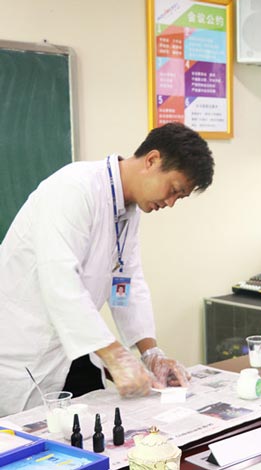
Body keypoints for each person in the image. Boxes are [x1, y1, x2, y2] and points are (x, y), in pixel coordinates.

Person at [0, 122, 215, 417]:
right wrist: (114, 354)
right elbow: (60, 282)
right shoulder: (74, 188)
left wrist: (151, 353)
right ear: (152, 160)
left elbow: (127, 283)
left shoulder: (127, 210)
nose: (170, 203)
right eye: (174, 190)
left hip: (68, 349)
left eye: (180, 197)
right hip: (23, 351)